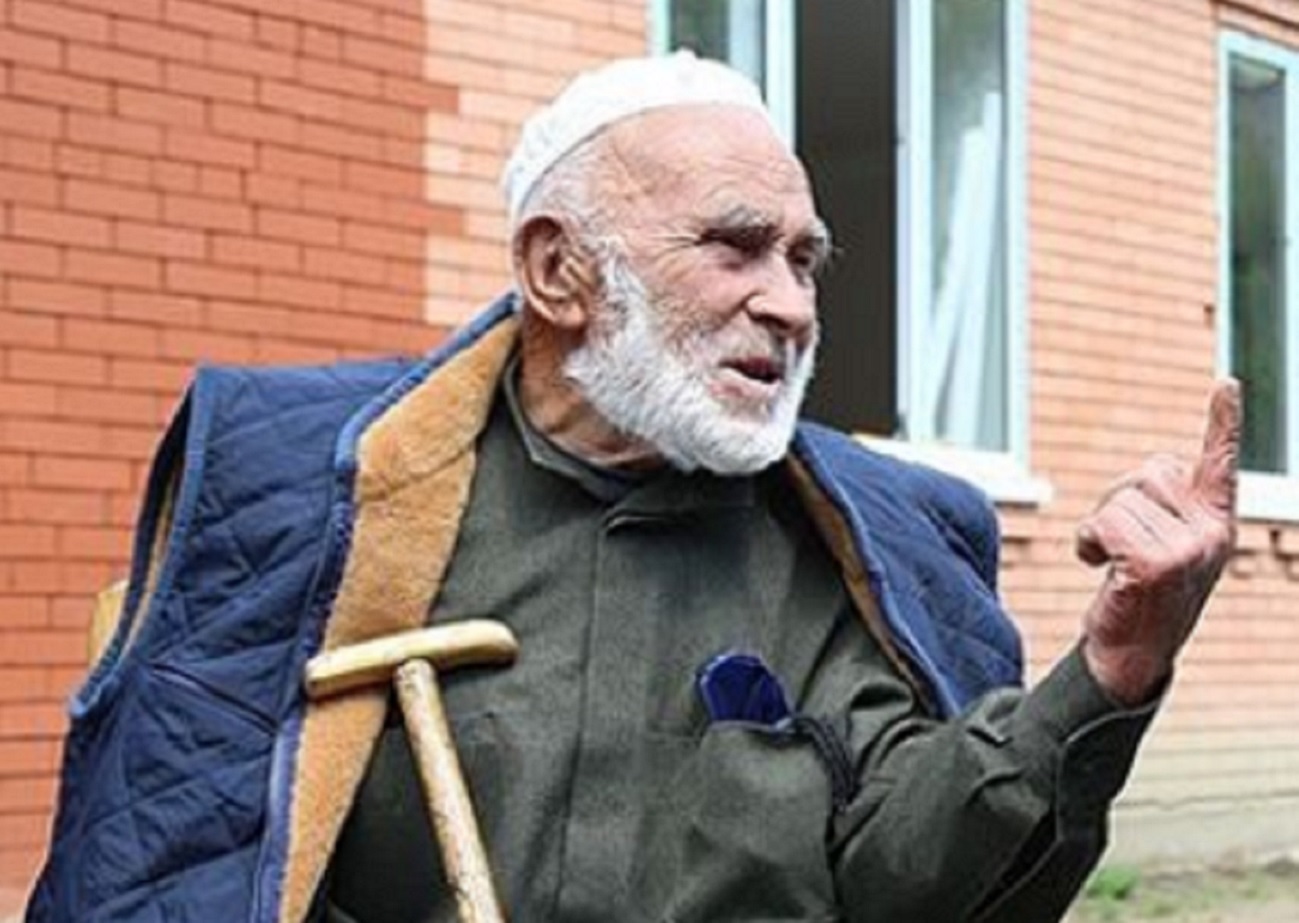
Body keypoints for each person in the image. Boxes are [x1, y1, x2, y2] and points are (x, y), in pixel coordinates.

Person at [26, 53, 1238, 923]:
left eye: (805, 259)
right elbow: (171, 852)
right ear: (560, 270)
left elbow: (913, 877)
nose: (792, 303)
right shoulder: (321, 502)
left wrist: (1114, 664)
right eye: (735, 245)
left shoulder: (863, 548)